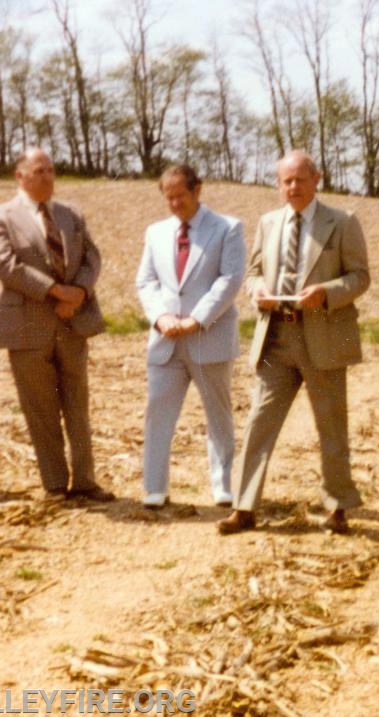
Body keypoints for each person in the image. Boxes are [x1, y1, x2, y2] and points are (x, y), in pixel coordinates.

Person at [217, 150, 370, 535]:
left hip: (326, 336)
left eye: (300, 179)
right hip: (277, 337)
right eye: (285, 181)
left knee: (331, 427)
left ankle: (337, 508)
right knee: (258, 423)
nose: (292, 187)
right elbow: (252, 273)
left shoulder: (343, 222)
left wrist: (327, 292)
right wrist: (258, 291)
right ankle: (245, 507)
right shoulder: (269, 223)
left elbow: (360, 277)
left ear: (317, 178)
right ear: (278, 184)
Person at [0, 148, 113, 502]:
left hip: (74, 322)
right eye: (39, 171)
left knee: (77, 404)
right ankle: (55, 485)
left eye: (51, 170)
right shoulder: (0, 217)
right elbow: (4, 265)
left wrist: (80, 292)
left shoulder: (71, 214)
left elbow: (92, 257)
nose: (47, 177)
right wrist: (57, 292)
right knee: (40, 409)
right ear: (20, 176)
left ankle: (85, 481)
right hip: (27, 327)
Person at [135, 165, 246, 508]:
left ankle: (223, 485)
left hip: (209, 338)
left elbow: (230, 279)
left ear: (198, 190)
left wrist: (197, 319)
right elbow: (146, 282)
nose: (173, 204)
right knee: (157, 412)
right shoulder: (155, 232)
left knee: (218, 414)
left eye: (179, 196)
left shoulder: (228, 228)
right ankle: (155, 488)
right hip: (166, 340)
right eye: (168, 197)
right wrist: (161, 316)